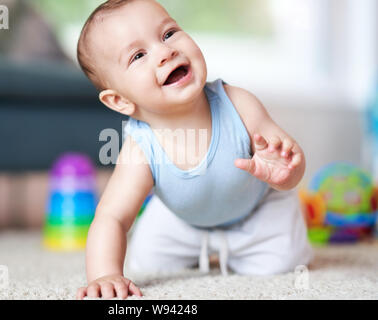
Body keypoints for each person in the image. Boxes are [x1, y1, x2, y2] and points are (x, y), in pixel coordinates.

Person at [76, 0, 313, 300]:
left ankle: (237, 247)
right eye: (138, 55)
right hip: (183, 220)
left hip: (256, 211)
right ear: (120, 101)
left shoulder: (239, 104)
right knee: (146, 259)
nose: (165, 52)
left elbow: (288, 166)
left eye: (168, 33)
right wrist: (105, 275)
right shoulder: (140, 145)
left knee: (284, 262)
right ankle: (204, 245)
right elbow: (112, 217)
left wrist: (286, 173)